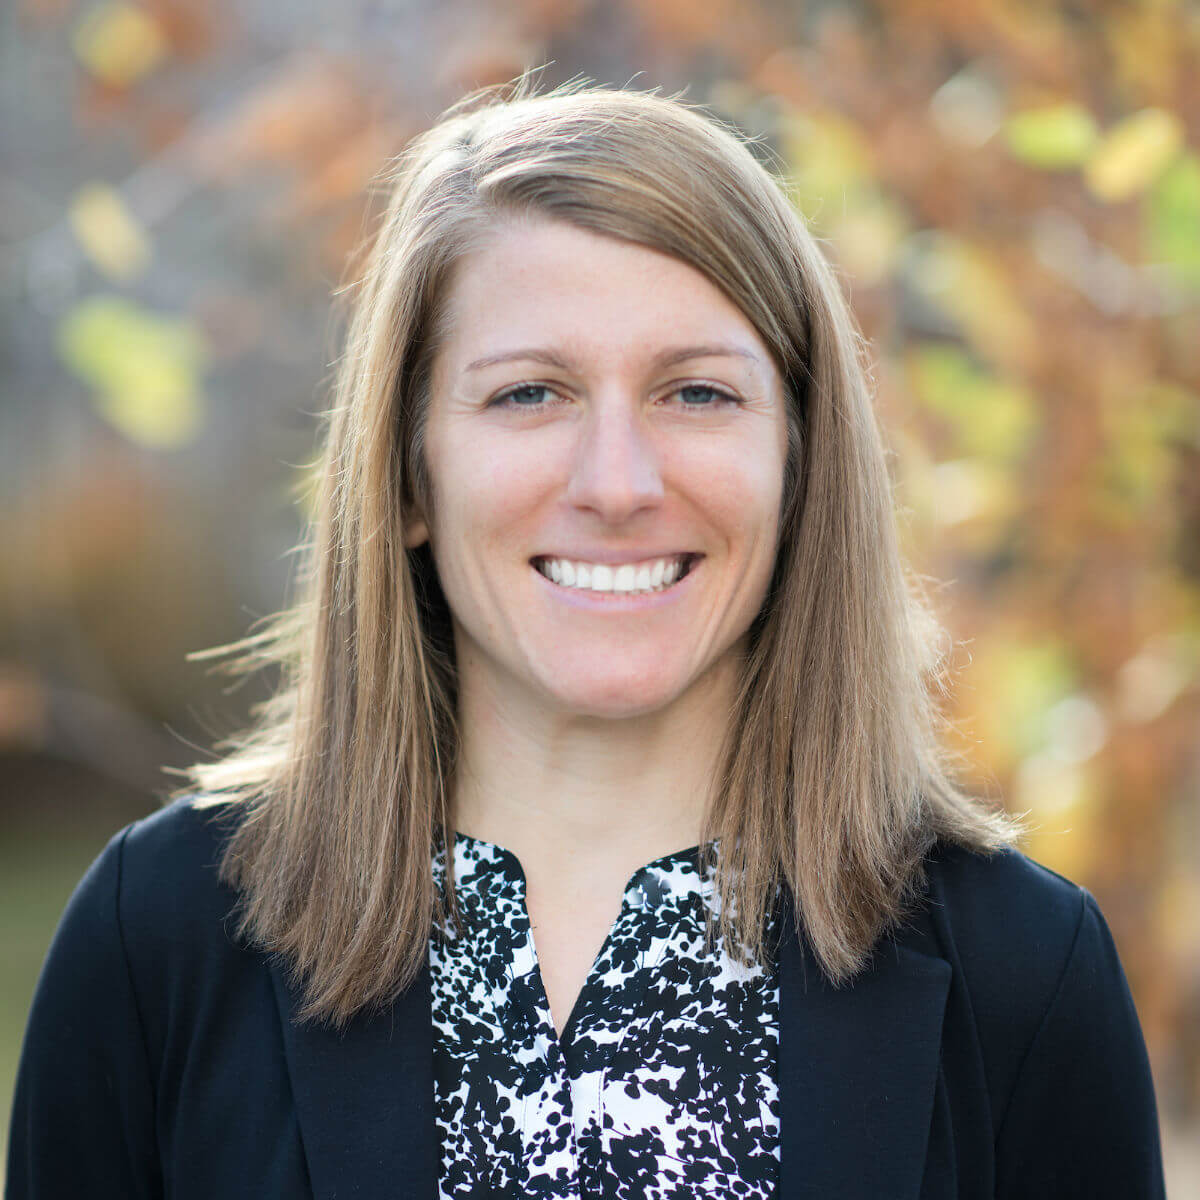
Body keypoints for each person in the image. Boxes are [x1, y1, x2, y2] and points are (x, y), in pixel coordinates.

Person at [7, 81, 1167, 1200]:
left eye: (697, 394)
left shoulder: (1022, 970)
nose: (618, 484)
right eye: (530, 394)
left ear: (801, 466)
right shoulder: (158, 941)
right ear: (409, 475)